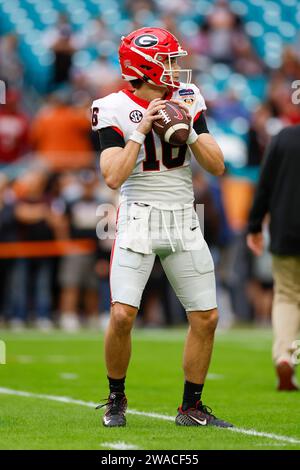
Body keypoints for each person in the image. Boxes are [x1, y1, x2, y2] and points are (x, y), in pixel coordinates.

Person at [92, 27, 232, 427]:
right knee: (122, 315)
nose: (176, 68)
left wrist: (186, 131)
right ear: (145, 66)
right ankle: (116, 398)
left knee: (206, 317)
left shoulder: (188, 98)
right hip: (138, 216)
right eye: (169, 60)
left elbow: (218, 166)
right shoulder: (112, 106)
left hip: (184, 216)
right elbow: (113, 177)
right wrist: (141, 129)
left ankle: (191, 407)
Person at [247, 125, 300, 391]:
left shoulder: (283, 138)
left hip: (286, 232)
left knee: (287, 296)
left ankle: (284, 355)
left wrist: (254, 225)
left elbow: (264, 184)